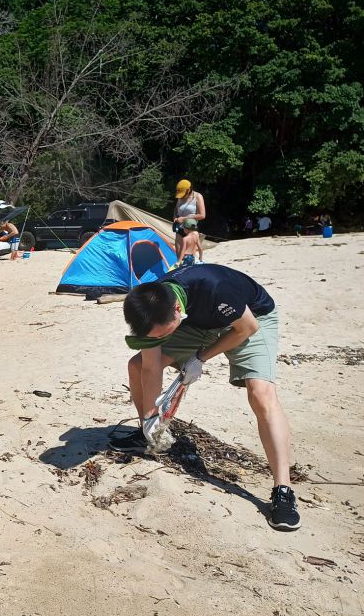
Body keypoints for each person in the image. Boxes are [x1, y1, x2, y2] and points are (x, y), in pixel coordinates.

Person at [110, 263, 299, 532]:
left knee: (261, 393)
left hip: (250, 319)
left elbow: (247, 328)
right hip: (196, 322)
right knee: (137, 365)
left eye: (162, 334)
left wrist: (200, 357)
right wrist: (151, 416)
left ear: (176, 309)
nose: (158, 339)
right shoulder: (151, 310)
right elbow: (151, 368)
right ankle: (147, 436)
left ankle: (283, 489)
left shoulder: (215, 288)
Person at [173, 179, 205, 266]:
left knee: (189, 256)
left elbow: (202, 215)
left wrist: (184, 218)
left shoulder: (198, 196)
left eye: (183, 193)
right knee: (179, 256)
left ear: (189, 189)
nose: (181, 196)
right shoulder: (180, 197)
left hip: (191, 228)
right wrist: (175, 217)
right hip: (179, 228)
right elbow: (176, 210)